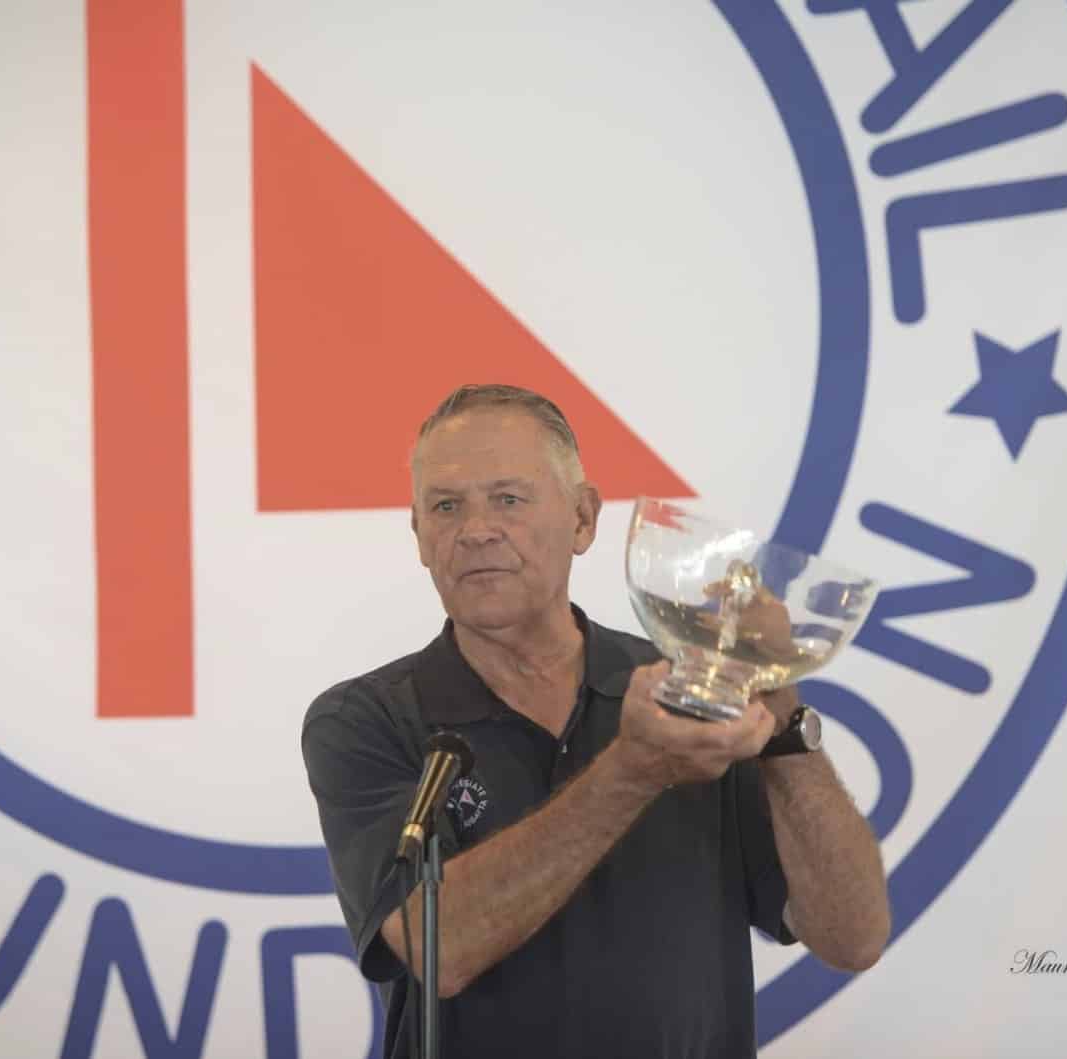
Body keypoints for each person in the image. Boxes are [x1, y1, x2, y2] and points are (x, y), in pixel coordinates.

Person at [301, 384, 890, 1058]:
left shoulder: (686, 693)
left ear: (583, 518)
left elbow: (853, 936)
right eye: (445, 506)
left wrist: (780, 709)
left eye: (509, 498)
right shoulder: (366, 719)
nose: (475, 529)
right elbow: (440, 948)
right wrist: (632, 770)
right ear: (419, 536)